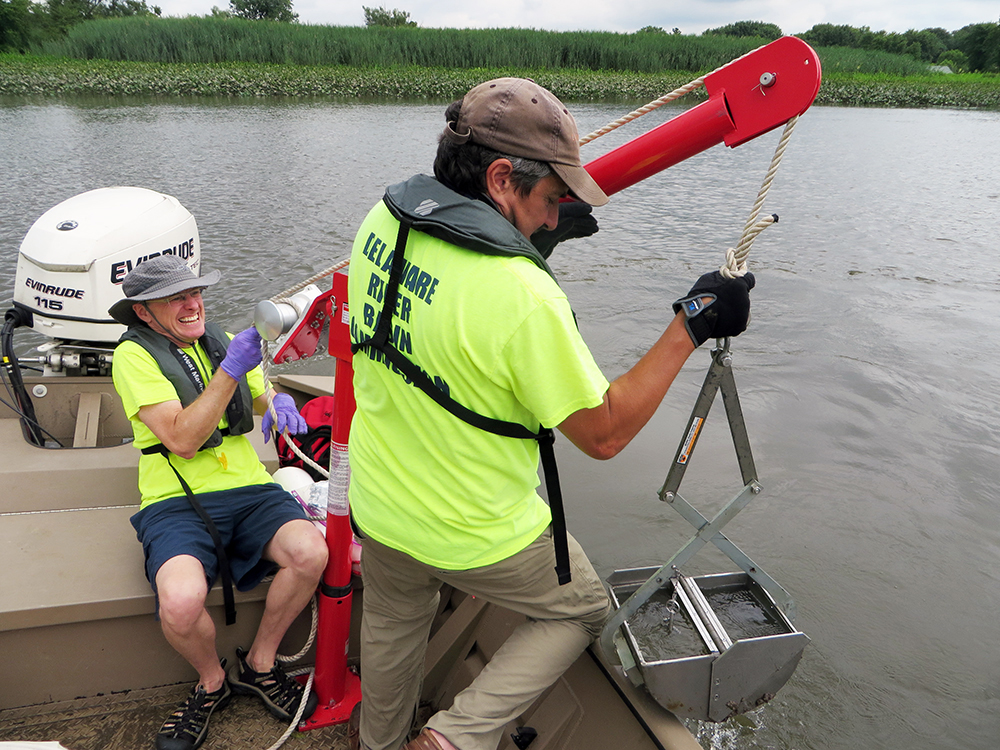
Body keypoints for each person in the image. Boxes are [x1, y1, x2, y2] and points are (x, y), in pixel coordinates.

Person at [346, 78, 754, 750]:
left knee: (392, 622)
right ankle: (453, 739)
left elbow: (449, 316)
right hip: (471, 529)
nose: (549, 217)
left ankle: (380, 743)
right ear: (501, 178)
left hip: (381, 502)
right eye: (550, 200)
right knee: (584, 608)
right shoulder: (522, 294)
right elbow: (605, 431)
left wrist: (531, 236)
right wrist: (694, 320)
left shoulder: (383, 220)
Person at [108, 254, 329, 750]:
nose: (193, 305)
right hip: (176, 499)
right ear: (144, 312)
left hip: (251, 488)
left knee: (311, 553)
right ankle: (211, 682)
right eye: (176, 299)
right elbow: (182, 439)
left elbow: (257, 393)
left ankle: (261, 665)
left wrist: (277, 402)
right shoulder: (134, 357)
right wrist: (230, 370)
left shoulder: (221, 340)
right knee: (182, 604)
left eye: (196, 293)